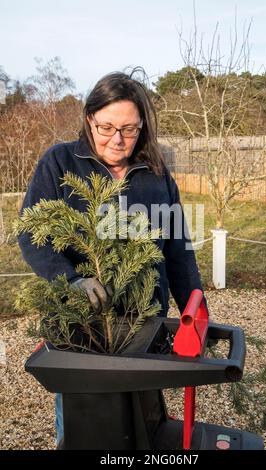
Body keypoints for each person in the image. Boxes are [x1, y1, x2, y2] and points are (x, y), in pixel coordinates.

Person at [18, 70, 206, 447]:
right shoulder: (60, 163)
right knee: (83, 420)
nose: (117, 140)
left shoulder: (155, 175)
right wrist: (70, 280)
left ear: (142, 128)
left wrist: (195, 314)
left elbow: (178, 250)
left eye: (129, 129)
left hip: (143, 320)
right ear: (90, 119)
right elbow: (31, 233)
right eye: (106, 127)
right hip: (81, 324)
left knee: (141, 416)